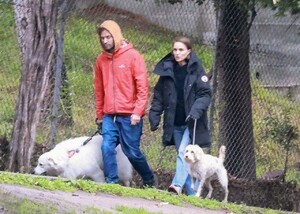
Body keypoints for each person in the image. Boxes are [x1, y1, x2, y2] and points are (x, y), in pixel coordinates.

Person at [94, 20, 155, 187]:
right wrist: (100, 115)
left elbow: (143, 87)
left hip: (130, 115)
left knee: (132, 152)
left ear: (116, 36)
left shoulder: (133, 56)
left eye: (108, 37)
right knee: (107, 147)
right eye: (102, 38)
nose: (105, 41)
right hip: (109, 116)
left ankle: (149, 180)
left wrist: (137, 111)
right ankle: (111, 183)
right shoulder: (101, 60)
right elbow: (99, 89)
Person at [149, 36, 211, 195]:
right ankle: (193, 198)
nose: (177, 53)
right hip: (174, 122)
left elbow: (205, 94)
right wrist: (155, 115)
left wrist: (195, 111)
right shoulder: (167, 71)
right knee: (187, 160)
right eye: (175, 50)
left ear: (189, 52)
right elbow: (159, 96)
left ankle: (176, 185)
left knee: (183, 153)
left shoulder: (196, 70)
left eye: (181, 50)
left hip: (191, 122)